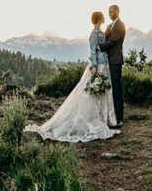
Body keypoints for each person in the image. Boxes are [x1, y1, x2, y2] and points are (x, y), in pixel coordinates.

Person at [25, 11, 120, 142]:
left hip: (105, 65)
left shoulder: (101, 32)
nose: (105, 17)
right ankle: (91, 117)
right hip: (97, 66)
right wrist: (94, 66)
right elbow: (93, 51)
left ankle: (103, 117)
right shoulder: (93, 34)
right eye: (102, 16)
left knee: (101, 91)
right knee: (92, 91)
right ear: (98, 19)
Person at [97, 4, 126, 127]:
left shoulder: (120, 25)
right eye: (108, 12)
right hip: (108, 60)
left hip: (115, 60)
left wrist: (100, 46)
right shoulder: (110, 25)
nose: (110, 14)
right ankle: (111, 116)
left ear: (117, 12)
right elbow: (106, 36)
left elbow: (113, 40)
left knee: (117, 89)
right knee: (110, 89)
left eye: (112, 11)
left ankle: (119, 119)